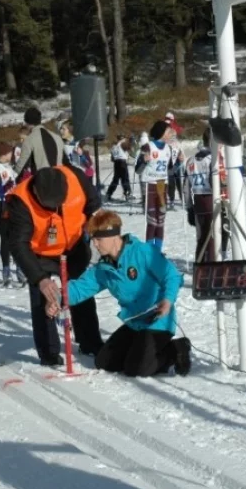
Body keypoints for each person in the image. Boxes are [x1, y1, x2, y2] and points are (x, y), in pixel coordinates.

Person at [46, 210, 192, 377]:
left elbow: (172, 275)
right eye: (93, 239)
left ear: (113, 237)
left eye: (98, 239)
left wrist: (167, 300)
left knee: (137, 369)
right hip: (134, 323)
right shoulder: (104, 268)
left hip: (158, 321)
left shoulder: (142, 252)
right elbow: (80, 288)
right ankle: (138, 352)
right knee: (104, 362)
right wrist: (57, 299)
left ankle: (175, 349)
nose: (95, 244)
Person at [7, 165, 103, 366]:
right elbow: (18, 244)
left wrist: (97, 233)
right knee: (45, 296)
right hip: (41, 252)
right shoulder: (20, 201)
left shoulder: (76, 177)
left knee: (81, 290)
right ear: (36, 192)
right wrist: (40, 279)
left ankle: (90, 342)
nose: (54, 208)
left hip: (74, 244)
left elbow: (93, 206)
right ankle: (49, 352)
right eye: (49, 205)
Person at [184, 128, 229, 261]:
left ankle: (199, 266)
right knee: (212, 237)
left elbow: (186, 186)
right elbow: (213, 181)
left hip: (197, 201)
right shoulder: (212, 159)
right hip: (211, 199)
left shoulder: (191, 160)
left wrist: (189, 207)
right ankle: (210, 269)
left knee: (201, 237)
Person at [0, 141, 25, 287]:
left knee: (16, 237)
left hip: (12, 205)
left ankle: (19, 268)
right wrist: (6, 187)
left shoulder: (8, 167)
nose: (12, 155)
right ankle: (6, 270)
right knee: (6, 238)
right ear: (2, 154)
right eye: (9, 152)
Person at [139, 121, 174, 249]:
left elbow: (170, 170)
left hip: (161, 184)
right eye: (168, 131)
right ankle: (149, 250)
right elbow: (137, 169)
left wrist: (179, 163)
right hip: (149, 183)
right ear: (161, 132)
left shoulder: (168, 148)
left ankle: (157, 251)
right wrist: (143, 161)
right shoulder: (148, 147)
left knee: (161, 220)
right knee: (152, 221)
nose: (170, 134)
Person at [14, 107, 65, 176]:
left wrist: (12, 174)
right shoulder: (57, 137)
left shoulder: (29, 140)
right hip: (60, 179)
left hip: (42, 181)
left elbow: (20, 167)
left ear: (26, 122)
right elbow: (65, 160)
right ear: (39, 120)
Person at [106, 134, 133, 201]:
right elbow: (130, 149)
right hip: (122, 163)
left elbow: (112, 158)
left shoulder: (114, 146)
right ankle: (127, 193)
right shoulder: (122, 143)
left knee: (115, 180)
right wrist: (131, 141)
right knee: (125, 179)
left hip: (116, 163)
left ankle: (109, 193)